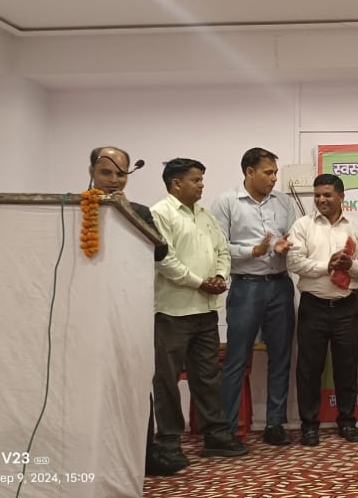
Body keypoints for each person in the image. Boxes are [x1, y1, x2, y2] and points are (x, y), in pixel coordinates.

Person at [88, 147, 182, 476]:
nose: (114, 180)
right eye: (106, 173)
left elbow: (160, 252)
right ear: (92, 171)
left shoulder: (139, 211)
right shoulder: (75, 210)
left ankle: (144, 451)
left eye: (121, 174)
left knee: (136, 381)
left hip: (129, 312)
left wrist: (126, 212)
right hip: (86, 312)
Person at [150, 158, 248, 462]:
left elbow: (222, 250)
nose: (202, 185)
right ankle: (169, 441)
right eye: (196, 180)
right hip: (173, 311)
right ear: (176, 183)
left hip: (206, 310)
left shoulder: (205, 215)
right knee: (167, 379)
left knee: (207, 376)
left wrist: (219, 276)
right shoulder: (160, 213)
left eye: (202, 179)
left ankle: (216, 435)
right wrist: (199, 282)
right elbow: (164, 260)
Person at [210, 147, 297, 445]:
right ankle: (228, 429)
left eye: (275, 172)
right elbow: (218, 246)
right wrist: (253, 250)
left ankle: (275, 424)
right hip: (246, 286)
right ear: (249, 172)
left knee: (281, 357)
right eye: (268, 172)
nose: (274, 178)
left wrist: (284, 246)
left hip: (280, 285)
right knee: (237, 358)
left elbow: (293, 236)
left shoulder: (283, 201)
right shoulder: (226, 202)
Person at [286, 174, 358, 446]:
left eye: (327, 195)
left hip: (346, 307)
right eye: (317, 195)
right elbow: (294, 262)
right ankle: (309, 426)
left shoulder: (356, 227)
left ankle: (347, 422)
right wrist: (328, 266)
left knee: (347, 367)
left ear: (341, 197)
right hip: (313, 306)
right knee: (309, 369)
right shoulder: (302, 225)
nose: (321, 200)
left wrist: (350, 265)